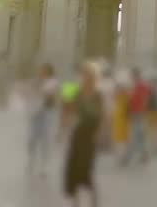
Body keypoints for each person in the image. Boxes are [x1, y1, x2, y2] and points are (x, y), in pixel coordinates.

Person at [64, 63, 103, 207]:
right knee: (73, 168)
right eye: (84, 75)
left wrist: (98, 133)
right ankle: (76, 202)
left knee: (86, 168)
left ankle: (93, 200)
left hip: (90, 135)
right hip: (78, 132)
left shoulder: (97, 94)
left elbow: (101, 115)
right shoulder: (75, 90)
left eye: (89, 76)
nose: (85, 78)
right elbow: (67, 107)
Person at [28, 63, 59, 174]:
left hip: (47, 112)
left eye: (44, 70)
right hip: (36, 112)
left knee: (45, 139)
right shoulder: (37, 81)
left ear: (49, 72)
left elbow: (50, 95)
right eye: (41, 70)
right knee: (32, 138)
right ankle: (31, 160)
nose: (42, 72)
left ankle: (44, 165)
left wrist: (39, 89)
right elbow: (30, 92)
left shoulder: (53, 82)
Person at [120, 68, 150, 166]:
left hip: (137, 113)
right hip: (134, 112)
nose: (130, 77)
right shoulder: (134, 85)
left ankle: (126, 157)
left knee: (133, 134)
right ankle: (144, 154)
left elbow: (145, 99)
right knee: (139, 135)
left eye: (132, 75)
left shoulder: (141, 85)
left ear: (135, 75)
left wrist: (142, 110)